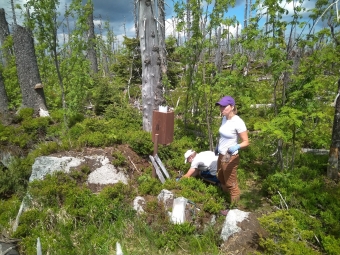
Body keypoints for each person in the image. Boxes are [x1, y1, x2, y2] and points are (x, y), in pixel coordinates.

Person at [215, 96, 249, 213]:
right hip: (221, 153)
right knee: (220, 176)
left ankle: (233, 210)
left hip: (230, 155)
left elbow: (246, 142)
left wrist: (237, 146)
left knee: (231, 183)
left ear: (232, 107)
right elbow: (223, 135)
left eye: (224, 106)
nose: (221, 108)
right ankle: (225, 198)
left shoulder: (238, 122)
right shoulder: (224, 119)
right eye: (221, 106)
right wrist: (217, 147)